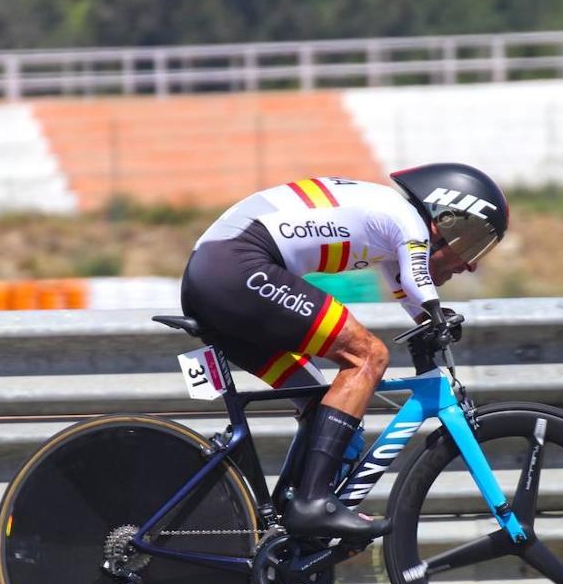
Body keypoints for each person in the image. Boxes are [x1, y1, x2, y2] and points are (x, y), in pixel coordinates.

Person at [180, 163, 508, 540]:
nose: (470, 264)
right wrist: (437, 313)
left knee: (319, 403)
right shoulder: (406, 221)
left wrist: (427, 317)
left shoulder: (390, 224)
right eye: (471, 244)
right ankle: (313, 505)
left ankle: (291, 517)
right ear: (443, 220)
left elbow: (406, 288)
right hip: (238, 268)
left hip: (213, 275)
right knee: (368, 356)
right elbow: (418, 280)